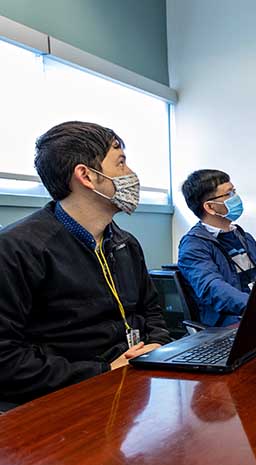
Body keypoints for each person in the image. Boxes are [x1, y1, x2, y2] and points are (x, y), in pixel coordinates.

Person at [0, 121, 171, 407]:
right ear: (86, 176)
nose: (131, 175)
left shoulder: (125, 243)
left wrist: (157, 345)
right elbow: (5, 357)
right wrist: (102, 372)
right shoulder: (18, 248)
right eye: (121, 163)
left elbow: (150, 310)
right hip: (63, 403)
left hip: (131, 388)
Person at [178, 170, 256, 327]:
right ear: (210, 207)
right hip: (229, 324)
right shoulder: (193, 245)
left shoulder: (245, 237)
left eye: (234, 192)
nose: (235, 198)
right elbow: (213, 288)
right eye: (229, 194)